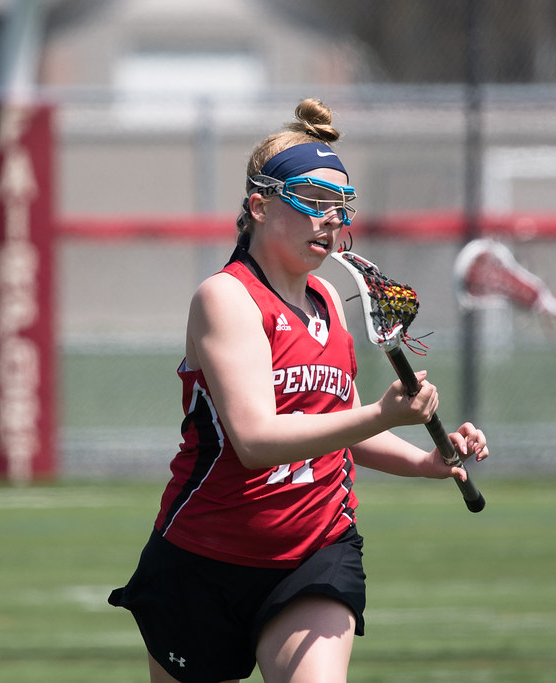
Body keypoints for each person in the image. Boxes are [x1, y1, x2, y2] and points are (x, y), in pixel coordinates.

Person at [108, 98, 489, 683]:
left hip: (316, 551)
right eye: (313, 203)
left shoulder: (331, 302)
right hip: (203, 554)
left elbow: (335, 428)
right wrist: (383, 414)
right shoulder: (227, 299)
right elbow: (258, 440)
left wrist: (424, 461)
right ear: (259, 206)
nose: (331, 220)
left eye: (340, 208)